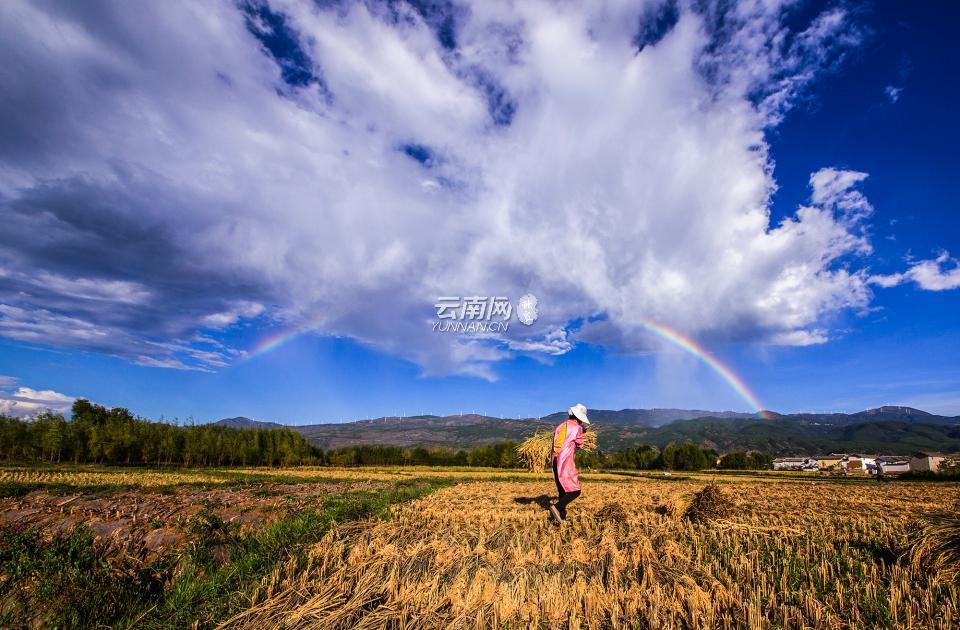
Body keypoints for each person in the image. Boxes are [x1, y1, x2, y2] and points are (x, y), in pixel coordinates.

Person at [549, 403, 590, 524]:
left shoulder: (560, 426)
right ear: (579, 418)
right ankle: (556, 507)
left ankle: (560, 519)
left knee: (562, 491)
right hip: (564, 460)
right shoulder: (577, 428)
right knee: (575, 491)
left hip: (555, 460)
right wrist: (583, 433)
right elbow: (580, 444)